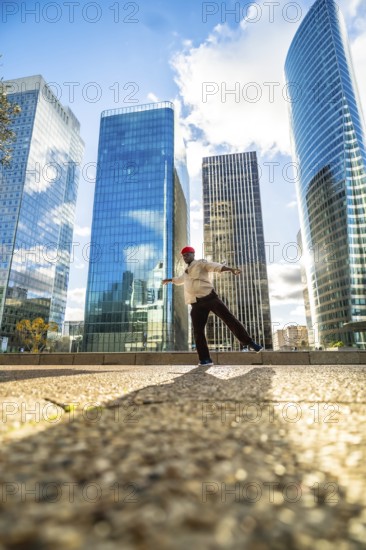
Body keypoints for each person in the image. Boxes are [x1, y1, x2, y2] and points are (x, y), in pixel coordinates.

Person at [162, 246, 263, 366]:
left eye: (188, 254)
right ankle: (205, 360)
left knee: (229, 319)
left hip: (210, 298)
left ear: (193, 254)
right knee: (198, 332)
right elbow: (179, 280)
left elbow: (213, 266)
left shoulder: (200, 263)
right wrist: (169, 280)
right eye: (184, 255)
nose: (185, 257)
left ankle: (249, 343)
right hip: (196, 304)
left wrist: (230, 269)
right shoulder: (186, 271)